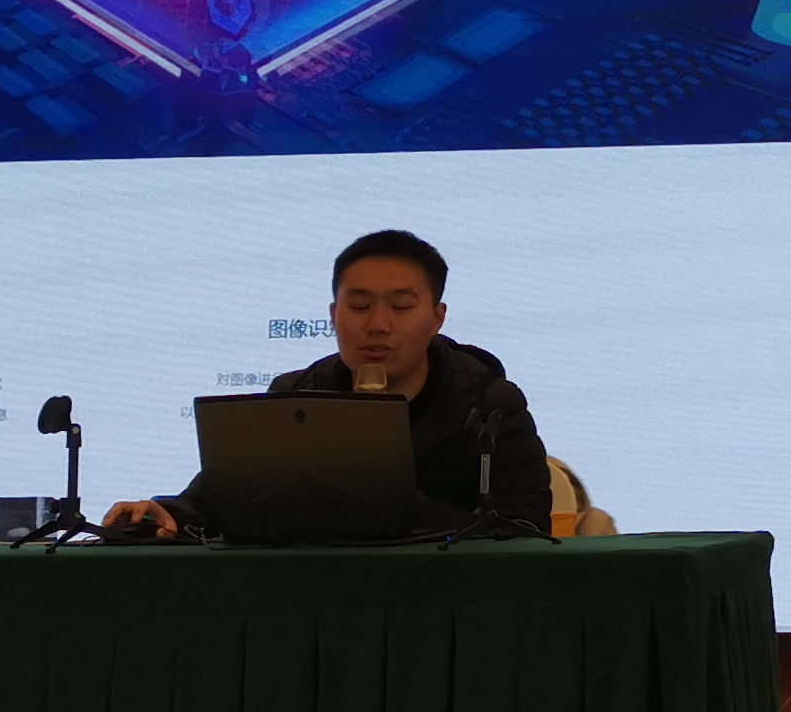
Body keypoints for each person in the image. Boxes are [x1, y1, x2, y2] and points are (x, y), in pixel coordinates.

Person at [105, 228, 558, 537]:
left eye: (401, 307)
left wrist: (402, 508)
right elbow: (216, 501)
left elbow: (526, 528)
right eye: (358, 307)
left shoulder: (490, 405)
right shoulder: (295, 397)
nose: (377, 325)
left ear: (437, 318)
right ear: (333, 314)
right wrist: (166, 515)